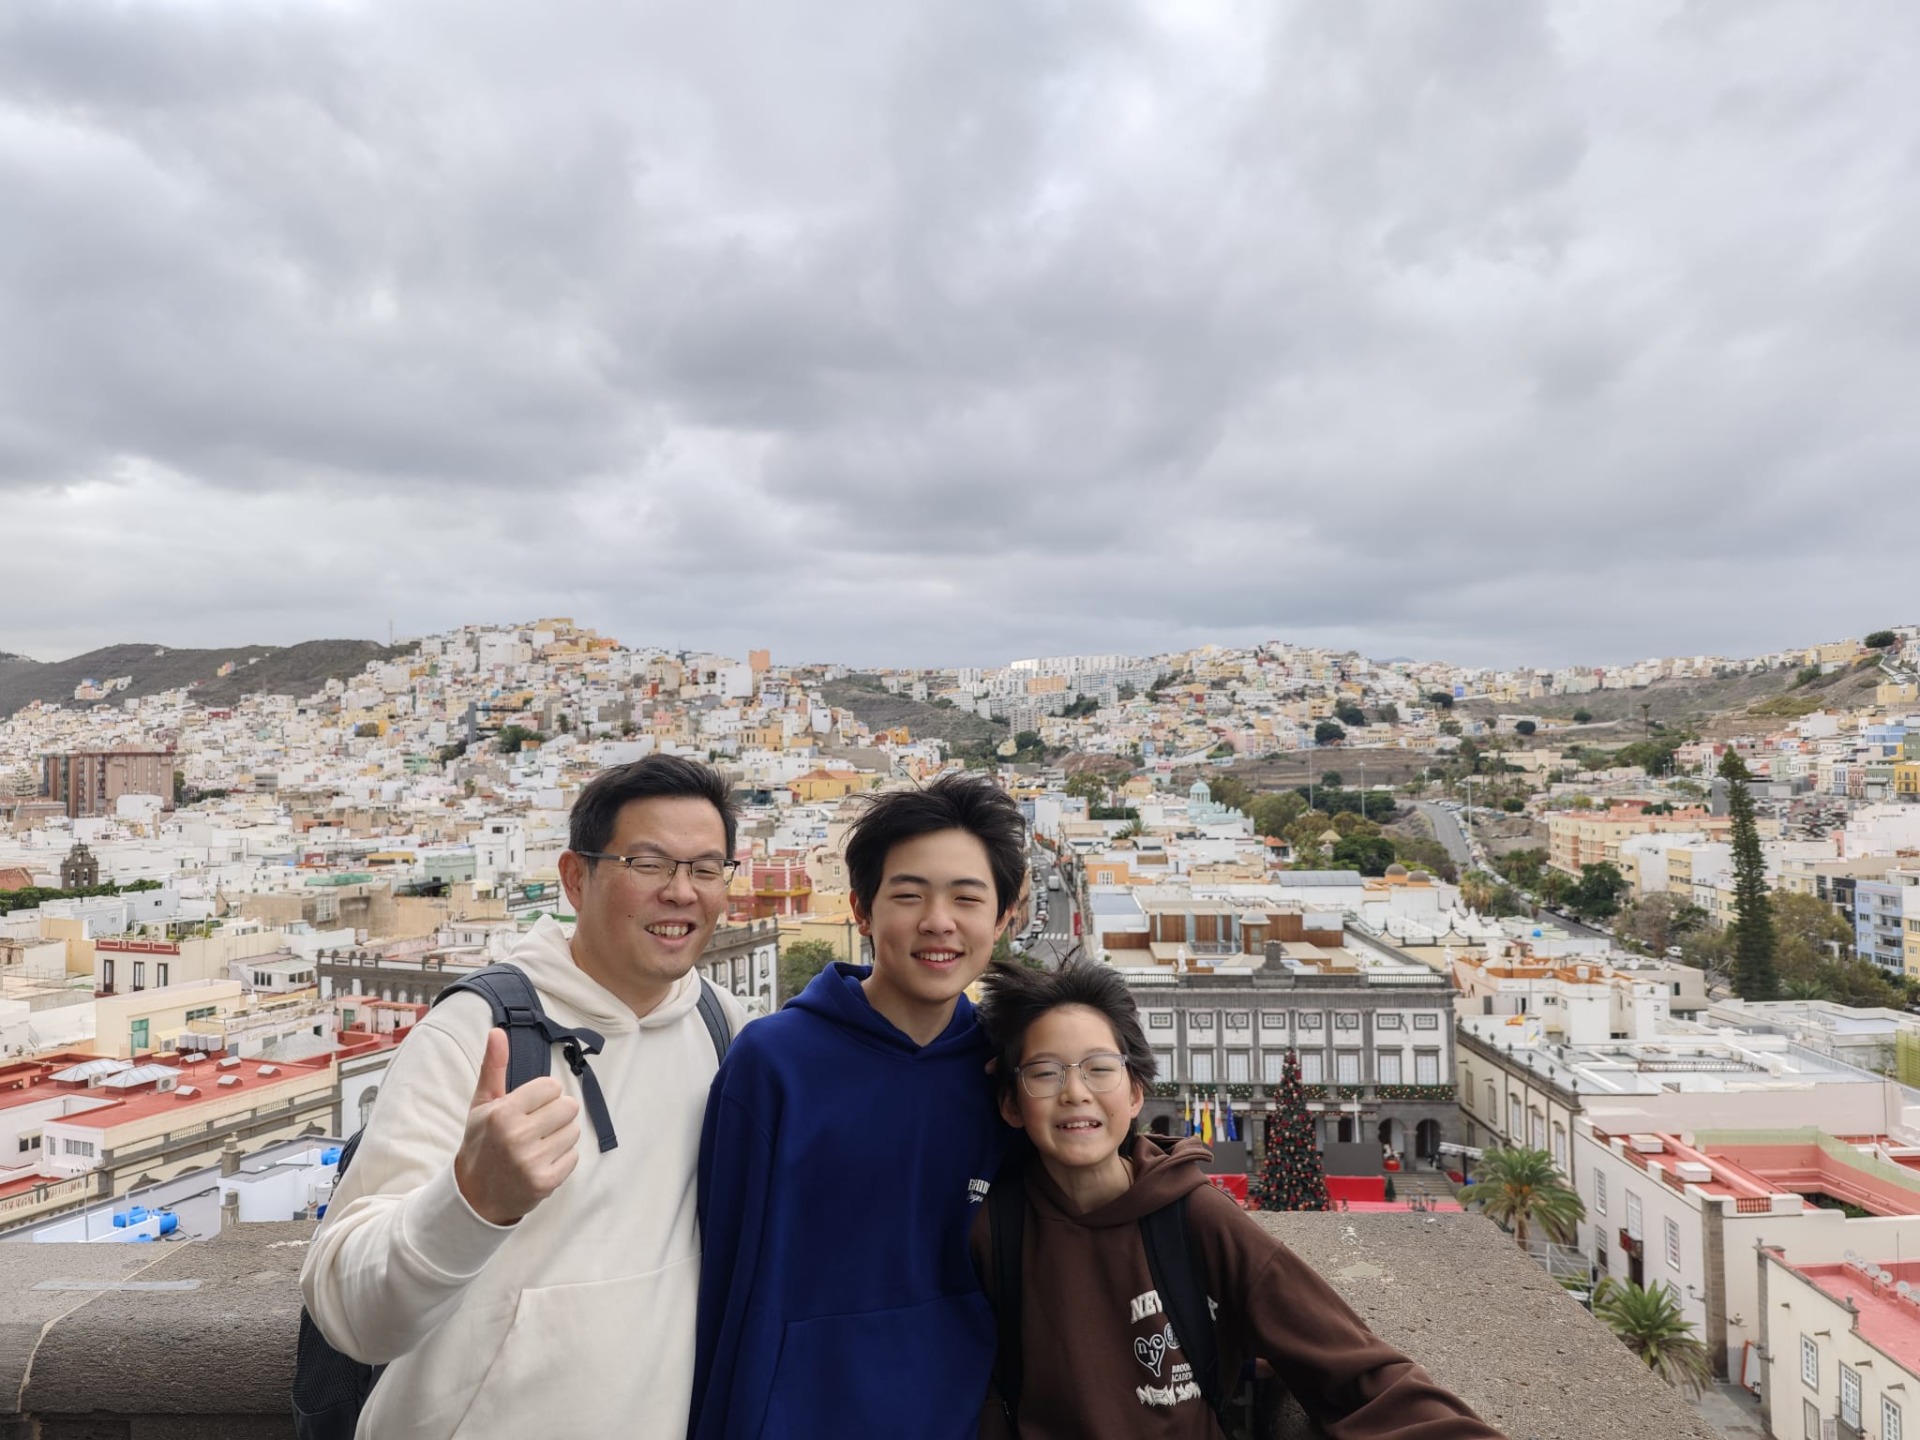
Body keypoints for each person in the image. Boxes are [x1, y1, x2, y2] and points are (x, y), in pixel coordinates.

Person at [300, 756, 749, 1439]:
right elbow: (349, 1312)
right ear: (576, 877)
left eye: (706, 868)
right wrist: (470, 1202)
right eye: (649, 863)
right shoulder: (477, 1032)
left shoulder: (722, 1027)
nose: (682, 892)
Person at [971, 960, 1505, 1439]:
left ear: (1135, 1094)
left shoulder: (1191, 1214)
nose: (1075, 1091)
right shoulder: (993, 1229)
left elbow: (1346, 1358)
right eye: (1044, 1073)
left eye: (1098, 1068)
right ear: (1012, 1104)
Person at [690, 772, 1027, 1438]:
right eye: (909, 895)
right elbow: (723, 1280)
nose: (939, 922)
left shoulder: (1008, 1073)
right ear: (861, 910)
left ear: (1004, 917)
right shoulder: (773, 1063)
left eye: (967, 897)